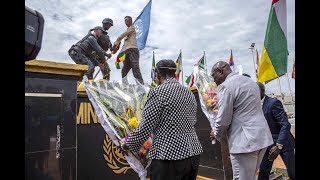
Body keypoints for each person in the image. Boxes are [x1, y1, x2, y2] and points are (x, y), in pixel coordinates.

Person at [120, 59, 203, 180]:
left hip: (169, 157)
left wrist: (127, 144)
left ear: (157, 74)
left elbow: (145, 128)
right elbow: (192, 120)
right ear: (174, 73)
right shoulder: (188, 93)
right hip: (193, 154)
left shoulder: (158, 92)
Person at [209, 61, 273, 180]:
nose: (214, 80)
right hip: (261, 137)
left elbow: (224, 119)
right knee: (251, 176)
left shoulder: (226, 86)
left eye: (214, 76)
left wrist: (215, 133)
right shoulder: (251, 82)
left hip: (244, 142)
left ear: (220, 71)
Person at [256, 82, 295, 180]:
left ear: (262, 91)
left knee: (292, 173)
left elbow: (285, 124)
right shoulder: (253, 105)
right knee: (263, 172)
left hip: (283, 143)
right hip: (267, 144)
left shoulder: (273, 103)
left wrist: (279, 145)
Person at [113, 16, 144, 84]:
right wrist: (117, 51)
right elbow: (124, 45)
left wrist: (116, 43)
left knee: (135, 68)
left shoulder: (132, 28)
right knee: (124, 71)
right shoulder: (128, 32)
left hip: (133, 50)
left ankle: (141, 85)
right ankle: (125, 85)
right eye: (124, 21)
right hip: (126, 52)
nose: (125, 22)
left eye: (126, 20)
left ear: (130, 21)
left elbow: (121, 36)